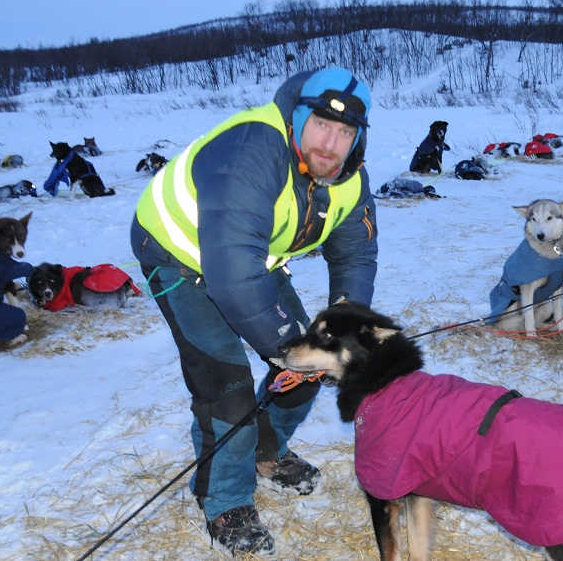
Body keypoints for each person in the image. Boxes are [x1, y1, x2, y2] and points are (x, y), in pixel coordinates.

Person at [129, 67, 378, 556]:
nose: (331, 143)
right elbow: (234, 279)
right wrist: (295, 348)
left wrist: (342, 332)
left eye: (345, 132)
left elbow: (355, 254)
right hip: (177, 255)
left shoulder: (350, 177)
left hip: (246, 259)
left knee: (307, 365)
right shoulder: (251, 150)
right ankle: (224, 500)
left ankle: (268, 451)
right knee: (227, 386)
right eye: (321, 125)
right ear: (296, 117)